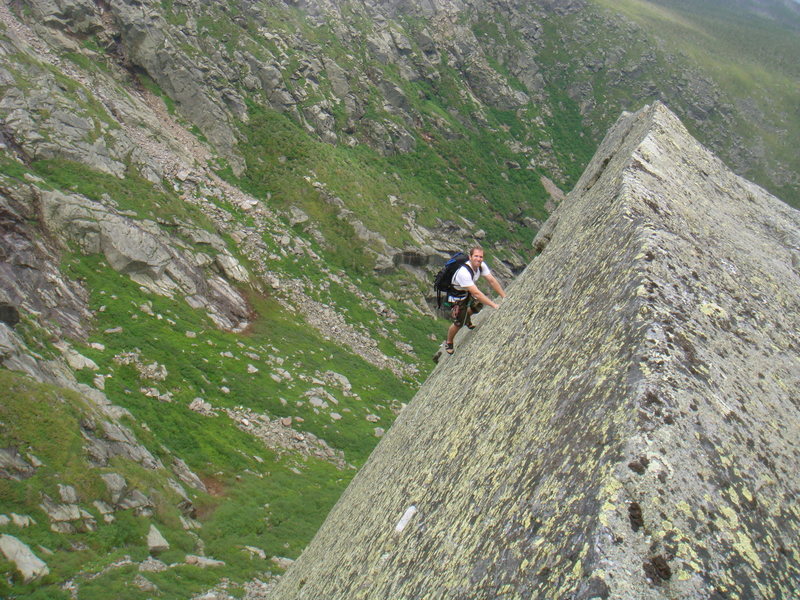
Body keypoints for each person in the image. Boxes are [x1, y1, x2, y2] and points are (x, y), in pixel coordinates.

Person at [444, 246, 506, 355]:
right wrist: (494, 305)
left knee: (478, 304)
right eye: (476, 256)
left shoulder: (481, 266)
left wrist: (503, 296)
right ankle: (449, 342)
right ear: (470, 257)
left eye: (481, 257)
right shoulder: (464, 272)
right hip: (457, 298)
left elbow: (491, 280)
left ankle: (467, 318)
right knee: (459, 323)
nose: (478, 259)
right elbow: (476, 293)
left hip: (467, 291)